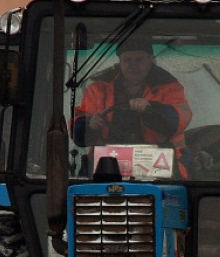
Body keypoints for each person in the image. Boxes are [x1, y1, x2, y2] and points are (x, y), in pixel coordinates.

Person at [72, 36, 192, 177]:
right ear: (120, 62)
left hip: (162, 165)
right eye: (127, 60)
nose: (133, 65)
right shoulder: (98, 88)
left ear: (150, 60)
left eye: (139, 60)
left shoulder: (170, 87)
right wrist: (90, 124)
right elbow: (77, 133)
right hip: (106, 166)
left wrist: (151, 109)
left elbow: (179, 120)